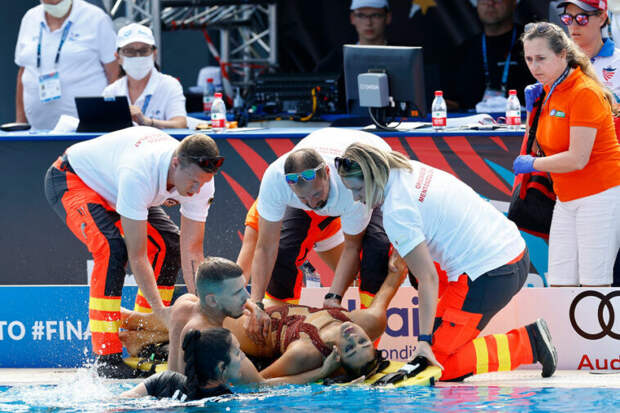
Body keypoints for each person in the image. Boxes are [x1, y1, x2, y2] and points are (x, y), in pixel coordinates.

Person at [335, 143, 558, 381]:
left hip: (491, 274)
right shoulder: (406, 169)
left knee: (438, 365)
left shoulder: (396, 212)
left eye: (357, 189)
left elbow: (428, 279)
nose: (356, 198)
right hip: (513, 252)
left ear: (372, 176)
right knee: (435, 334)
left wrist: (424, 341)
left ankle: (529, 343)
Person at [44, 126, 221, 378]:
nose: (197, 190)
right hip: (74, 179)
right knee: (112, 248)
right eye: (193, 182)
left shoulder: (202, 181)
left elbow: (192, 251)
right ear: (175, 164)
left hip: (116, 186)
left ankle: (145, 339)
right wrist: (161, 313)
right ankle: (106, 356)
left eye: (203, 182)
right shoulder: (140, 174)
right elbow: (138, 256)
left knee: (168, 246)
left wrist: (200, 311)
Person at [121, 253, 409, 382]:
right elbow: (388, 288)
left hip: (254, 332)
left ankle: (132, 324)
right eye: (363, 342)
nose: (352, 337)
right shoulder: (369, 323)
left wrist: (322, 373)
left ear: (338, 355)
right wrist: (400, 265)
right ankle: (139, 335)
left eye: (350, 348)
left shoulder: (306, 352)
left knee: (186, 310)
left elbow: (260, 382)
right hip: (261, 311)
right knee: (184, 311)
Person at [245, 128, 393, 343]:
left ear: (327, 173)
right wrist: (256, 305)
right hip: (326, 171)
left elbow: (352, 247)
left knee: (375, 253)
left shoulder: (349, 189)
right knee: (284, 254)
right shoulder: (275, 180)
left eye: (316, 194)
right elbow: (266, 246)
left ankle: (367, 343)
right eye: (303, 199)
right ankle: (281, 336)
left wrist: (334, 297)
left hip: (371, 174)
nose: (313, 203)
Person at [514, 22, 620, 287]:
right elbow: (536, 146)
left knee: (594, 284)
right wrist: (532, 112)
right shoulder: (549, 90)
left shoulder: (584, 91)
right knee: (560, 282)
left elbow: (577, 159)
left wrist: (534, 164)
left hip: (600, 194)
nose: (534, 67)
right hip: (566, 196)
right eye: (529, 59)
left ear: (562, 54)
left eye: (541, 58)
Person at [15, 0, 119, 130]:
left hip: (88, 128)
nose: (54, 3)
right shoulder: (30, 18)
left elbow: (114, 73)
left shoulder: (96, 18)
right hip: (37, 130)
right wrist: (20, 122)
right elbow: (23, 71)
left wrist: (113, 120)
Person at [236, 200, 344, 302]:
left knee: (350, 274)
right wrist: (241, 297)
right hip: (305, 222)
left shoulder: (290, 236)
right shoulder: (262, 208)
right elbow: (244, 265)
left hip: (321, 221)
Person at [442, 0, 534, 110]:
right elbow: (451, 102)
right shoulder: (462, 52)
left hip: (522, 118)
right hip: (472, 120)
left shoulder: (535, 44)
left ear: (514, 2)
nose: (490, 3)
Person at [103, 23, 187, 129]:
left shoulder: (170, 85)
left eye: (144, 51)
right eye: (129, 51)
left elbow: (180, 124)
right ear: (118, 57)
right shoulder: (111, 92)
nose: (138, 56)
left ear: (154, 54)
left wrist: (148, 122)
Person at [121, 329, 238, 400]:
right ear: (221, 367)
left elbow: (123, 401)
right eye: (238, 353)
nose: (242, 358)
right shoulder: (227, 399)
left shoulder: (166, 380)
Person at [557, 1, 620, 102]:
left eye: (581, 18)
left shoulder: (618, 61)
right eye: (567, 18)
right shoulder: (557, 61)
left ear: (602, 18)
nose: (573, 25)